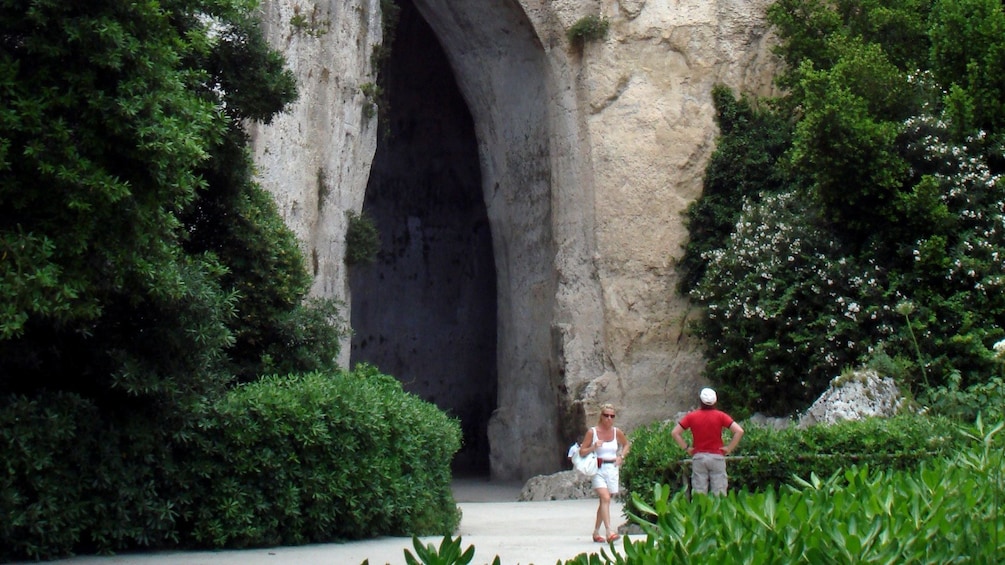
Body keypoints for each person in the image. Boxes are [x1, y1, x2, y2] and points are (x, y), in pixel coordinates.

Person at [671, 387, 744, 496]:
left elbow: (675, 432)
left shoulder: (692, 416)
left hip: (699, 456)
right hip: (717, 456)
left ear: (700, 401)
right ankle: (718, 512)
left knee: (699, 492)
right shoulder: (721, 416)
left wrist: (687, 448)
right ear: (715, 401)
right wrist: (729, 448)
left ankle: (701, 512)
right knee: (719, 492)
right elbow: (739, 431)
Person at [579, 403, 631, 543]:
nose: (609, 418)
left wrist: (621, 456)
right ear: (600, 416)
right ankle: (609, 531)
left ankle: (596, 532)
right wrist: (593, 447)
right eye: (606, 415)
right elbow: (582, 451)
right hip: (598, 467)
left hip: (612, 467)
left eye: (612, 416)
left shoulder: (616, 432)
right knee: (605, 497)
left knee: (605, 500)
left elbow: (626, 444)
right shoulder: (592, 432)